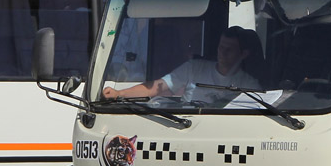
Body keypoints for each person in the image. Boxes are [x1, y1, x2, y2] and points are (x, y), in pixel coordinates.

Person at [102, 26, 260, 106]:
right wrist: (119, 93)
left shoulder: (251, 86)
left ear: (243, 54)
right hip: (186, 130)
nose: (222, 53)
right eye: (221, 47)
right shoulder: (194, 68)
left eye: (229, 50)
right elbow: (158, 87)